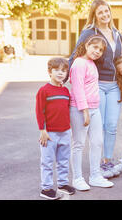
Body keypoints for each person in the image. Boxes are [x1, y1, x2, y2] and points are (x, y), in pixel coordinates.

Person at [68, 0, 122, 178]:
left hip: (115, 85)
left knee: (111, 125)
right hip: (97, 85)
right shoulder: (88, 33)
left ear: (110, 12)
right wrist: (64, 76)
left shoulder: (117, 34)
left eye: (106, 11)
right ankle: (96, 165)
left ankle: (106, 161)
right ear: (94, 14)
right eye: (100, 12)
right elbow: (76, 54)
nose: (104, 15)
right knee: (97, 128)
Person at [69, 35, 114, 190]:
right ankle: (77, 178)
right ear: (87, 45)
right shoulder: (79, 63)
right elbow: (78, 88)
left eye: (101, 50)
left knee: (97, 142)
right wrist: (85, 111)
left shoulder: (91, 63)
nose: (97, 51)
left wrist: (92, 110)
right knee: (78, 144)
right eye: (95, 47)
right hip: (80, 109)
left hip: (94, 109)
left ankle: (95, 176)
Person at [36, 57, 76, 200]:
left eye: (64, 71)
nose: (60, 73)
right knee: (47, 161)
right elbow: (39, 111)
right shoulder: (44, 90)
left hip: (65, 132)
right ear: (49, 72)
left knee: (63, 160)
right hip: (49, 134)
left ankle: (62, 184)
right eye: (57, 70)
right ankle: (46, 188)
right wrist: (43, 130)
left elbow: (67, 111)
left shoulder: (66, 91)